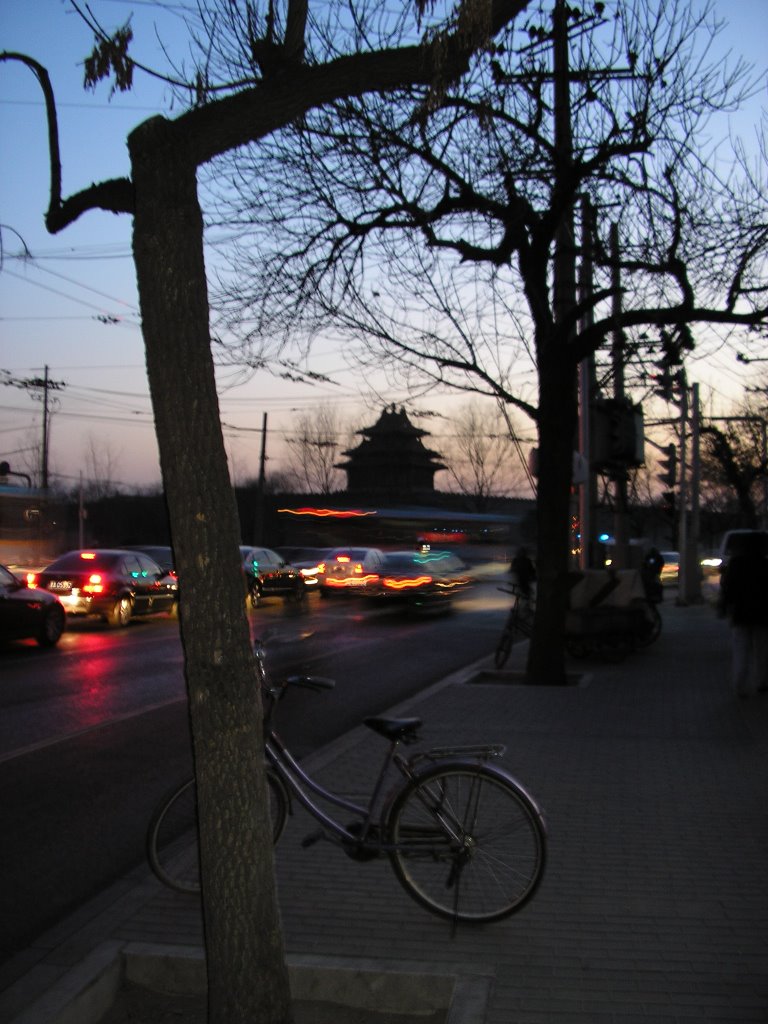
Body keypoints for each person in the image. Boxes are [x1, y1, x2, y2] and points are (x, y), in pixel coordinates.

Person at [719, 531, 768, 697]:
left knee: (741, 650)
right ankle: (762, 682)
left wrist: (724, 607)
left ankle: (739, 684)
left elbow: (728, 589)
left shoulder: (736, 564)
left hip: (740, 613)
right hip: (762, 614)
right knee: (762, 650)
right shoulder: (764, 564)